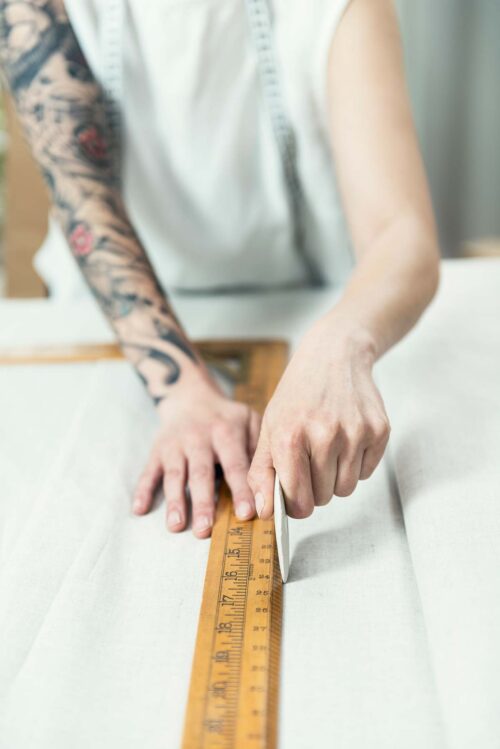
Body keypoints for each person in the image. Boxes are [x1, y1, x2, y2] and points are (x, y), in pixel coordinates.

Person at [0, 0, 439, 538]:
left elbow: (402, 234)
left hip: (310, 309)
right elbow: (82, 197)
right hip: (107, 321)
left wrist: (342, 342)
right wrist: (186, 394)